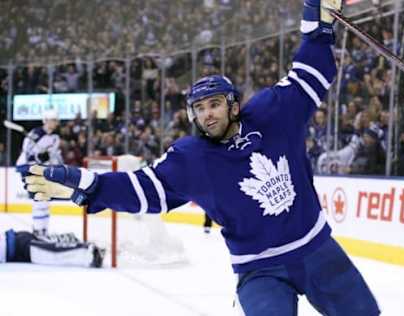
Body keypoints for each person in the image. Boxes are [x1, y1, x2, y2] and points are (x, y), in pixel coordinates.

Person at [24, 1, 380, 315]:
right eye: (199, 108)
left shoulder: (273, 114)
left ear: (233, 105)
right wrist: (84, 185)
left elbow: (308, 72)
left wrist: (318, 25)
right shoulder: (190, 159)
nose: (207, 114)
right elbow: (140, 190)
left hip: (317, 251)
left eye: (214, 104)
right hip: (259, 270)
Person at [16, 109, 63, 236]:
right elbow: (27, 153)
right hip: (27, 168)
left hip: (41, 169)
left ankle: (43, 229)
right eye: (53, 120)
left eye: (56, 120)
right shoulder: (35, 134)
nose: (55, 123)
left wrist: (50, 159)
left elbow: (53, 156)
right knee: (40, 199)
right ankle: (38, 230)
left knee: (45, 199)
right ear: (46, 120)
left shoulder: (55, 138)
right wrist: (39, 156)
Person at [0, 229, 105, 268]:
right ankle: (76, 244)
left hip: (17, 245)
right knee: (47, 248)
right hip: (15, 240)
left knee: (51, 254)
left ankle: (88, 251)